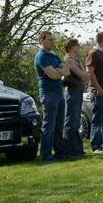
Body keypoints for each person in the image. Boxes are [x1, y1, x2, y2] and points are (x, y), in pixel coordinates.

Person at [34, 31, 70, 161]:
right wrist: (59, 72)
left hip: (58, 93)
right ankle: (46, 154)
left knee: (59, 126)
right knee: (48, 126)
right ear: (41, 41)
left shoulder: (54, 56)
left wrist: (58, 71)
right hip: (48, 94)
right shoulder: (41, 56)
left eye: (52, 39)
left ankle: (60, 153)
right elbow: (52, 75)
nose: (52, 41)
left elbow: (67, 71)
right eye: (49, 39)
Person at [63, 38, 87, 157]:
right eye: (77, 45)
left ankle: (77, 149)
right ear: (71, 47)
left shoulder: (76, 60)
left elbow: (85, 75)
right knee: (70, 121)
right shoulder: (68, 59)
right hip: (72, 92)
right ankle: (69, 150)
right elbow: (80, 74)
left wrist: (82, 75)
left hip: (78, 91)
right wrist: (82, 75)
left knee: (76, 121)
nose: (79, 47)